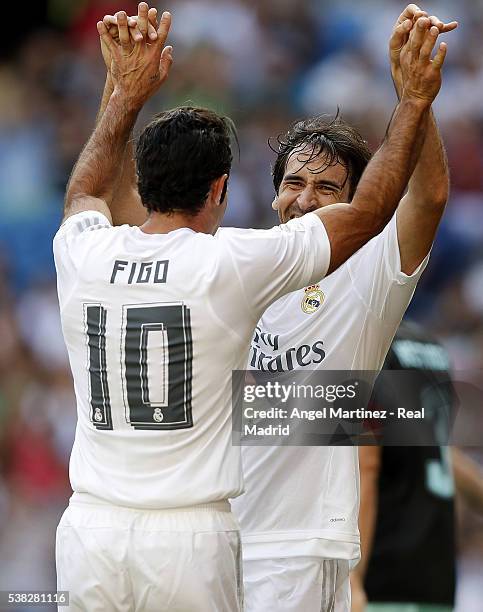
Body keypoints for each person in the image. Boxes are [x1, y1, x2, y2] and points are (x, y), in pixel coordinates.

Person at [53, 3, 445, 610]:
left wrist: (124, 93)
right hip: (207, 533)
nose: (306, 199)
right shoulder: (232, 265)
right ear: (239, 192)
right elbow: (144, 206)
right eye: (293, 182)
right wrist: (411, 102)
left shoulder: (363, 273)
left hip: (287, 545)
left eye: (327, 188)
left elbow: (424, 201)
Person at [352, 320, 483, 612]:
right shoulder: (430, 345)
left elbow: (367, 463)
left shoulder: (367, 341)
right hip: (435, 575)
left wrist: (352, 578)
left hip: (379, 573)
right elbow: (434, 450)